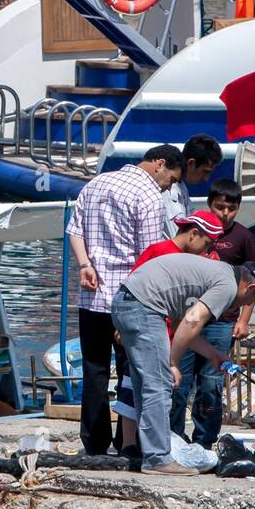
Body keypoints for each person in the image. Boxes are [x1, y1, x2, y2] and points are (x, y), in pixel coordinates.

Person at [66, 144, 183, 456]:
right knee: (132, 372)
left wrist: (84, 266)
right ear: (160, 164)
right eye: (170, 179)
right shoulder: (148, 196)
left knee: (94, 369)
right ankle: (127, 441)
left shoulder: (96, 183)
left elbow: (74, 231)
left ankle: (94, 441)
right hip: (128, 297)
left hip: (91, 295)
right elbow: (147, 257)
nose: (168, 186)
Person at [112, 255, 255, 475]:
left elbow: (182, 324)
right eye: (252, 299)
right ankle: (157, 459)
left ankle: (148, 451)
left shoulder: (217, 273)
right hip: (144, 306)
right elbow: (192, 321)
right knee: (159, 385)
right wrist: (173, 363)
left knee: (145, 385)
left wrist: (213, 354)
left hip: (127, 301)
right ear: (251, 287)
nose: (246, 305)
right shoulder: (226, 286)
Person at [171, 180, 255, 447]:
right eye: (219, 207)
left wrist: (244, 320)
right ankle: (173, 436)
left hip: (222, 321)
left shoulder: (244, 237)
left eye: (231, 208)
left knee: (210, 383)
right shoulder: (195, 232)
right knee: (179, 380)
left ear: (238, 208)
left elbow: (254, 282)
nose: (225, 213)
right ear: (209, 204)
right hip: (189, 315)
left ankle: (205, 440)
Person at [162, 134, 222, 238]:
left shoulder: (182, 188)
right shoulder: (165, 190)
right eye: (205, 171)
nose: (206, 178)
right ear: (191, 163)